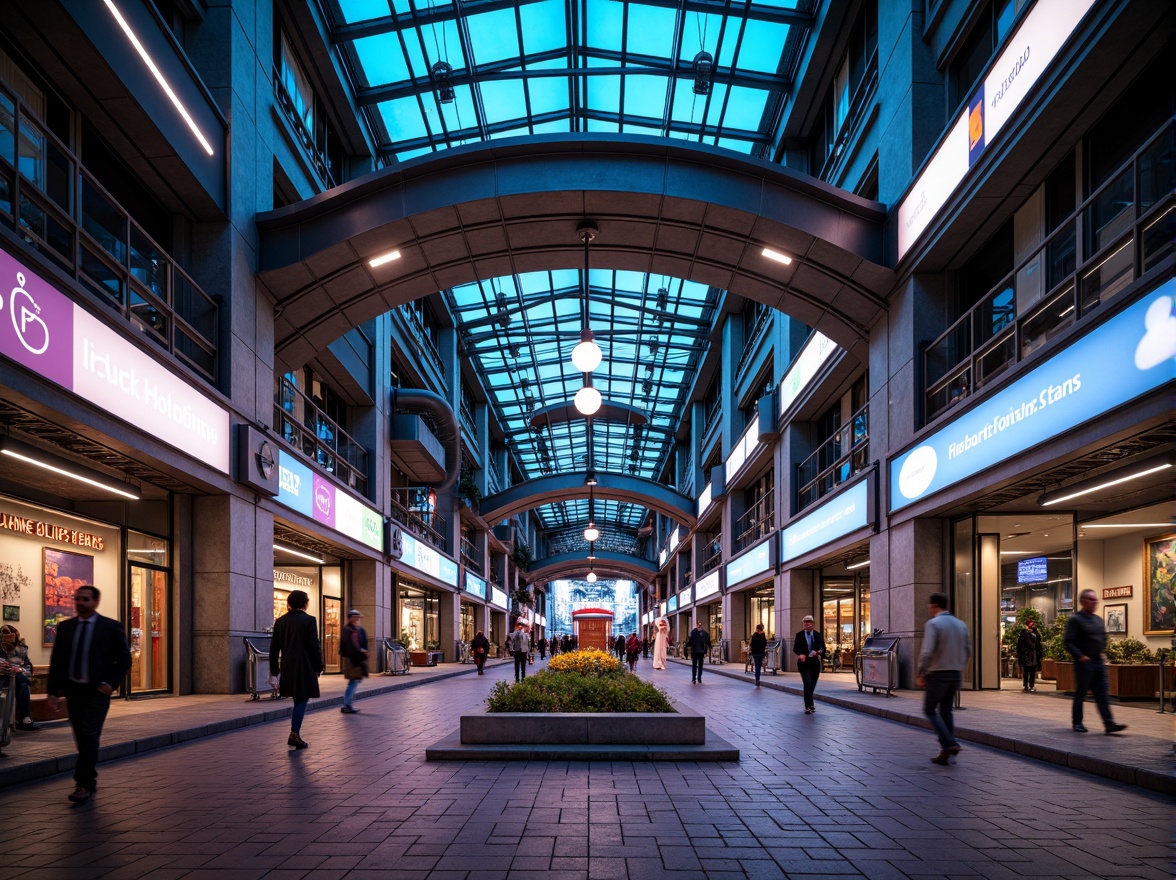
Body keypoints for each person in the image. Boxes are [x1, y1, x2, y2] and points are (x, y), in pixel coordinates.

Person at [46, 585, 131, 804]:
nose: (80, 603)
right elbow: (57, 662)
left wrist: (110, 684)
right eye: (77, 599)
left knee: (90, 734)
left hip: (97, 691)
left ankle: (82, 783)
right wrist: (53, 692)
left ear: (95, 602)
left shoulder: (110, 627)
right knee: (81, 737)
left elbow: (123, 660)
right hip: (74, 691)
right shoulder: (66, 628)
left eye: (85, 599)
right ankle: (89, 778)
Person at [916, 592, 971, 765]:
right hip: (955, 673)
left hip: (937, 674)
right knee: (946, 710)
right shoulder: (961, 624)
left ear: (934, 606)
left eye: (929, 606)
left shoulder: (933, 624)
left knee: (930, 710)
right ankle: (946, 750)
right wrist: (960, 667)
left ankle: (949, 743)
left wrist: (920, 672)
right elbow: (967, 650)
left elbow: (927, 652)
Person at [1065, 589, 1127, 734]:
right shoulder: (1075, 620)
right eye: (1091, 600)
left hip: (1098, 663)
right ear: (1083, 601)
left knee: (1102, 694)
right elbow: (1069, 642)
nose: (1094, 603)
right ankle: (1077, 722)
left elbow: (1103, 639)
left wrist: (1102, 651)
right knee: (1081, 693)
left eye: (1095, 600)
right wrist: (1080, 656)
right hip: (1084, 663)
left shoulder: (1098, 620)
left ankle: (1109, 723)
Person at [269, 590, 324, 749]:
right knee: (301, 699)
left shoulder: (280, 621)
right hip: (304, 666)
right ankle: (294, 734)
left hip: (287, 666)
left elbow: (274, 648)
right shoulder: (309, 620)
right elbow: (314, 646)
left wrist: (275, 670)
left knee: (297, 699)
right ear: (305, 603)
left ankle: (295, 733)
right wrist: (318, 666)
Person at [0, 624, 39, 731]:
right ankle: (25, 718)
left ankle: (25, 718)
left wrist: (19, 670)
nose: (10, 643)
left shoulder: (21, 650)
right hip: (2, 679)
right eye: (7, 640)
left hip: (17, 678)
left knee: (22, 682)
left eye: (12, 640)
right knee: (23, 682)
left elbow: (27, 667)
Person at [793, 616, 825, 712]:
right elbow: (795, 648)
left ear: (813, 624)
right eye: (805, 623)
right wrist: (801, 654)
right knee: (807, 683)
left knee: (812, 684)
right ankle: (808, 705)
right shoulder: (799, 635)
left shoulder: (817, 635)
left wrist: (818, 652)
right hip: (804, 663)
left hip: (814, 663)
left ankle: (810, 703)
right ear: (803, 624)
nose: (807, 624)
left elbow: (823, 648)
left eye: (809, 622)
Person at [339, 610, 368, 714]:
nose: (357, 619)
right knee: (353, 682)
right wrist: (361, 651)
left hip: (357, 660)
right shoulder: (348, 630)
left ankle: (348, 704)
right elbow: (349, 646)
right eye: (355, 617)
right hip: (352, 660)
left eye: (358, 617)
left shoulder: (358, 629)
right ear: (351, 617)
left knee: (355, 682)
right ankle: (347, 705)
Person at [1016, 619, 1042, 692]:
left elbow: (1038, 643)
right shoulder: (1026, 633)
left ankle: (1029, 685)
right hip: (1029, 655)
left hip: (1030, 655)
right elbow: (1021, 644)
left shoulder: (1031, 633)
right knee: (1029, 670)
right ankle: (1028, 686)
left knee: (1030, 670)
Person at [749, 623, 768, 687]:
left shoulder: (754, 635)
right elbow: (765, 644)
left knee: (757, 666)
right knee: (758, 666)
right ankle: (758, 679)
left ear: (756, 629)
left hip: (755, 653)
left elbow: (751, 644)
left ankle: (757, 679)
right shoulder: (763, 636)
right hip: (760, 653)